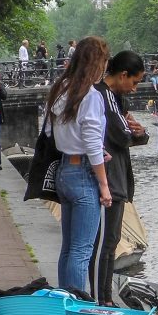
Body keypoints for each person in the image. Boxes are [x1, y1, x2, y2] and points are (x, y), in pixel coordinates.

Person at [43, 36, 112, 292]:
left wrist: (73, 142)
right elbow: (93, 146)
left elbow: (50, 133)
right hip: (83, 174)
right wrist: (104, 186)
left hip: (64, 170)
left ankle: (64, 301)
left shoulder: (60, 89)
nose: (105, 68)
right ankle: (76, 310)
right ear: (96, 63)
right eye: (104, 62)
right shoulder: (91, 96)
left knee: (68, 248)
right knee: (82, 251)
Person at [89, 51, 148, 305]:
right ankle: (100, 299)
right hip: (110, 180)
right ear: (123, 75)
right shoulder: (105, 96)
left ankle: (105, 297)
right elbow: (122, 135)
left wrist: (140, 132)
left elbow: (132, 133)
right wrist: (134, 133)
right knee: (105, 243)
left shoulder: (115, 100)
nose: (134, 90)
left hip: (115, 179)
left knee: (109, 242)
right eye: (134, 82)